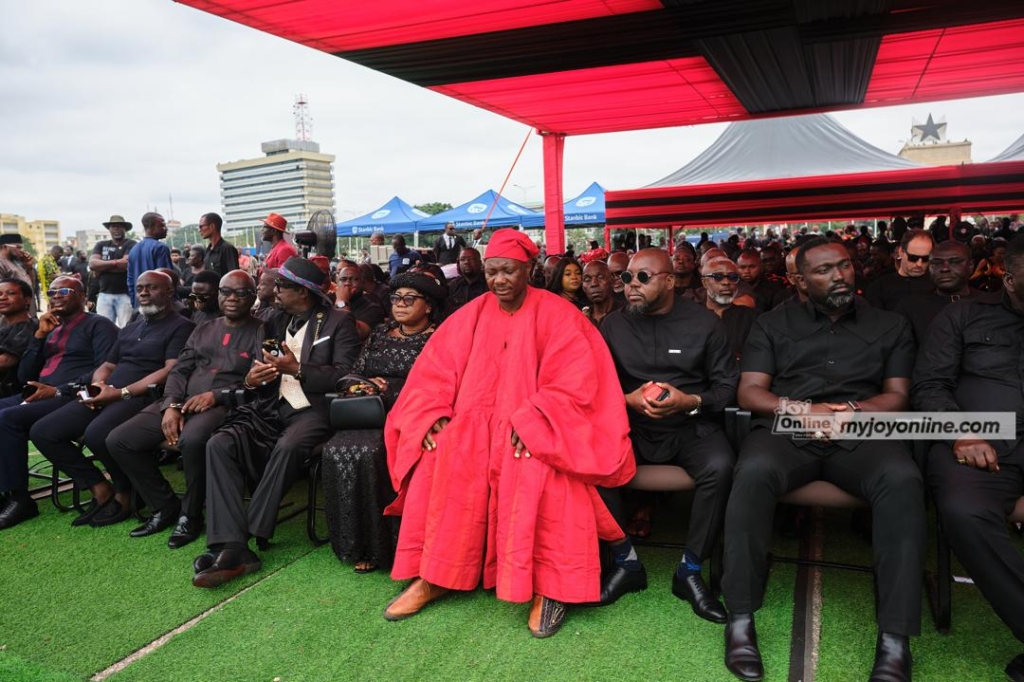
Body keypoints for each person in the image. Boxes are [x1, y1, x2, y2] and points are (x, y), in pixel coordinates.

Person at [380, 229, 635, 638]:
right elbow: (432, 373)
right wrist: (432, 414)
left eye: (508, 271)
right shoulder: (469, 314)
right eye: (492, 271)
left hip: (535, 426)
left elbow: (579, 381)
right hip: (472, 423)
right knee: (442, 454)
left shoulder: (560, 314)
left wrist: (537, 419)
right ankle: (436, 573)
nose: (498, 280)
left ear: (529, 270)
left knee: (541, 470)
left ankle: (550, 587)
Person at [721, 237, 923, 682]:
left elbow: (898, 396)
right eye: (824, 270)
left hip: (861, 429)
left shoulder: (890, 324)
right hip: (789, 429)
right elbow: (750, 391)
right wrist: (801, 410)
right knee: (752, 473)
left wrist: (851, 412)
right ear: (799, 280)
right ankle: (740, 619)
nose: (839, 276)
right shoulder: (771, 324)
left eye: (844, 266)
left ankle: (895, 639)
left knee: (903, 480)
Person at [192, 257, 360, 588]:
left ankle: (239, 543)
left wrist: (298, 369)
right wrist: (252, 379)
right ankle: (232, 544)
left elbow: (346, 375)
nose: (273, 291)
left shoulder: (338, 322)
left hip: (314, 409)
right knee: (219, 443)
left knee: (289, 445)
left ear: (303, 292)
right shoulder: (271, 319)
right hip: (271, 406)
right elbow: (258, 369)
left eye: (281, 285)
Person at [596, 249, 737, 623]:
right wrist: (626, 399)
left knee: (721, 466)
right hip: (631, 425)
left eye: (643, 277)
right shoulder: (612, 326)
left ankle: (690, 570)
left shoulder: (705, 323)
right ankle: (626, 562)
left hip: (689, 423)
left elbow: (727, 388)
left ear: (671, 280)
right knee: (590, 459)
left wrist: (690, 401)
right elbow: (591, 384)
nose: (631, 285)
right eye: (627, 278)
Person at [912, 235, 1024, 682]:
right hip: (982, 448)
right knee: (964, 510)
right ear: (1010, 279)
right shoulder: (962, 315)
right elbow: (929, 385)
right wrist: (961, 431)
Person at [106, 271, 262, 548]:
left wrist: (216, 395)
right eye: (226, 291)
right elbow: (179, 370)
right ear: (218, 295)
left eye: (241, 293)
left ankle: (190, 515)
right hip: (181, 400)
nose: (232, 298)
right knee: (119, 440)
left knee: (193, 440)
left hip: (224, 405)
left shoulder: (263, 331)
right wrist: (172, 405)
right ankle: (164, 505)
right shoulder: (203, 328)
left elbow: (257, 381)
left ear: (253, 297)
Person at [32, 271, 194, 528]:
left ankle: (124, 492)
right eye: (140, 288)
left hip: (143, 396)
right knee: (44, 431)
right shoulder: (131, 327)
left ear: (169, 292)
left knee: (97, 434)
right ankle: (99, 487)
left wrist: (120, 393)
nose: (143, 292)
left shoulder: (181, 326)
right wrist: (98, 388)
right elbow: (108, 365)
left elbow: (170, 370)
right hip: (108, 394)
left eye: (151, 287)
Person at [322, 272, 447, 573]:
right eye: (395, 298)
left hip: (412, 413)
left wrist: (389, 390)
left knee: (373, 452)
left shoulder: (439, 338)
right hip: (369, 411)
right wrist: (364, 384)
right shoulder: (380, 333)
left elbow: (441, 384)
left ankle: (386, 546)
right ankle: (356, 543)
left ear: (428, 306)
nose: (400, 304)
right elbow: (353, 372)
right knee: (336, 449)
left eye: (409, 299)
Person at [0, 276, 118, 529]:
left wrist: (58, 390)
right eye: (52, 292)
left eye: (63, 291)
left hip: (71, 396)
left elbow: (106, 369)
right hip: (38, 393)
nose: (56, 296)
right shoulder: (50, 328)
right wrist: (40, 335)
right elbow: (25, 375)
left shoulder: (98, 324)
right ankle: (4, 491)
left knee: (8, 419)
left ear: (82, 296)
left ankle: (20, 498)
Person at [894, 240, 995, 344]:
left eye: (954, 262)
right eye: (936, 263)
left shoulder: (991, 304)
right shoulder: (910, 307)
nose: (945, 269)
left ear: (970, 265)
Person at [701, 258, 757, 362]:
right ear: (704, 283)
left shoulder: (751, 318)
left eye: (733, 277)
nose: (726, 282)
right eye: (718, 277)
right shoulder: (692, 317)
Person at [865, 229, 935, 311]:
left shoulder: (936, 285)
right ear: (901, 252)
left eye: (925, 258)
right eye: (913, 258)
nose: (919, 264)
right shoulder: (879, 287)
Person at [90, 215, 137, 326]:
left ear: (125, 229)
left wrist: (102, 267)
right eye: (113, 226)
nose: (116, 229)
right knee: (104, 328)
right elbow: (92, 264)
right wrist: (116, 263)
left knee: (125, 327)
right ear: (109, 229)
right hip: (104, 294)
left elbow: (126, 264)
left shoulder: (131, 244)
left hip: (125, 295)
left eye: (119, 226)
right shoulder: (101, 245)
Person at [0, 278, 38, 397]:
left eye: (11, 293)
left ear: (27, 300)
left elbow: (5, 362)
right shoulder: (6, 327)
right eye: (0, 294)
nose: (2, 298)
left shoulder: (30, 327)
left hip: (12, 393)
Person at [126, 212, 173, 307]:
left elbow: (130, 282)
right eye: (162, 225)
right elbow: (167, 279)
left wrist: (135, 303)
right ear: (151, 227)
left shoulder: (133, 249)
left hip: (140, 304)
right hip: (158, 304)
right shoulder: (161, 248)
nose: (166, 228)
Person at [334, 264, 384, 340]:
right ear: (337, 282)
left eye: (354, 279)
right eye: (343, 279)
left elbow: (351, 333)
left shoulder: (373, 309)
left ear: (362, 282)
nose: (347, 283)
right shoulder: (327, 301)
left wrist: (342, 302)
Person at [736, 248, 786, 313]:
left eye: (752, 267)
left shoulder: (774, 289)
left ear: (761, 266)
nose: (747, 271)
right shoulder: (733, 287)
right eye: (742, 267)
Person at [0, 234, 36, 316]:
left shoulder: (17, 263)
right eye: (18, 247)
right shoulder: (1, 263)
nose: (22, 251)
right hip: (12, 317)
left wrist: (29, 267)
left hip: (27, 314)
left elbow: (30, 286)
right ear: (5, 247)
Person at [580, 261, 621, 326]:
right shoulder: (581, 318)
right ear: (583, 287)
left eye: (600, 277)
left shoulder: (625, 314)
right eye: (587, 279)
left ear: (612, 280)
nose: (594, 283)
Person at [447, 247, 487, 312]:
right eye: (462, 259)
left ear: (480, 262)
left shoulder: (489, 284)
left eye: (471, 258)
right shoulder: (453, 286)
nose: (466, 262)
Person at [199, 212, 240, 277]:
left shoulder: (227, 248)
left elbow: (234, 276)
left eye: (201, 226)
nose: (199, 230)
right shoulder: (208, 250)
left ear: (212, 226)